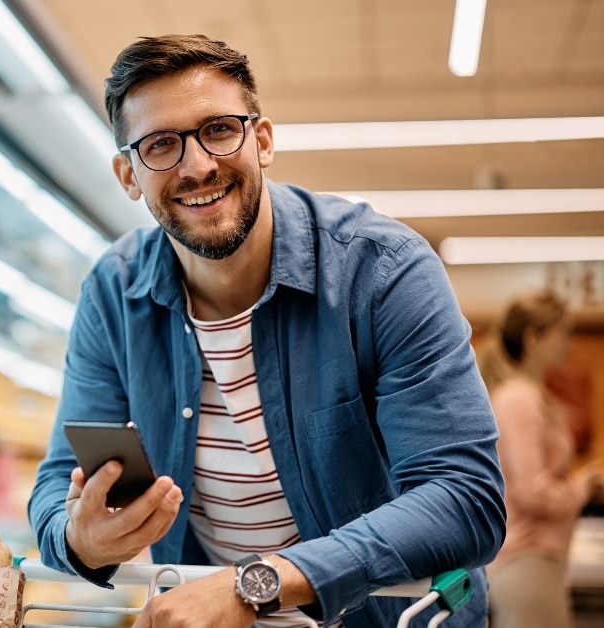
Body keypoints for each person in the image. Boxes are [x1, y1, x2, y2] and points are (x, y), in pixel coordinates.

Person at [27, 34, 505, 628]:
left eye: (219, 129)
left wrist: (258, 582)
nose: (197, 165)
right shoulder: (113, 293)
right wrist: (80, 540)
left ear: (263, 140)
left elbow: (466, 498)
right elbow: (55, 483)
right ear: (129, 175)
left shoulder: (383, 271)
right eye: (161, 145)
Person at [478, 293, 597, 628]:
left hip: (532, 562)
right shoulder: (519, 397)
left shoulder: (527, 394)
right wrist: (582, 488)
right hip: (526, 559)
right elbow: (533, 493)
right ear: (533, 338)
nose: (569, 344)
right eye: (563, 334)